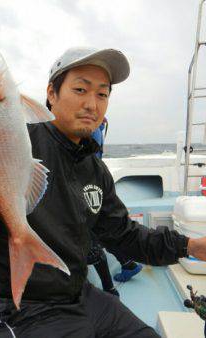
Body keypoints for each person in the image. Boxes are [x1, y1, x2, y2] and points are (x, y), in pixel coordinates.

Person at [0, 46, 206, 338]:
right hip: (15, 307)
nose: (91, 104)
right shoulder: (13, 141)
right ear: (51, 94)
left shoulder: (95, 170)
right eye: (80, 89)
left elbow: (123, 235)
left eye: (102, 94)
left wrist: (189, 245)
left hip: (79, 295)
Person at [88, 119, 143, 293]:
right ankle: (128, 264)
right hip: (97, 179)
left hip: (90, 181)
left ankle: (110, 289)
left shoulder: (89, 130)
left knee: (92, 238)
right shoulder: (97, 128)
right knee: (105, 230)